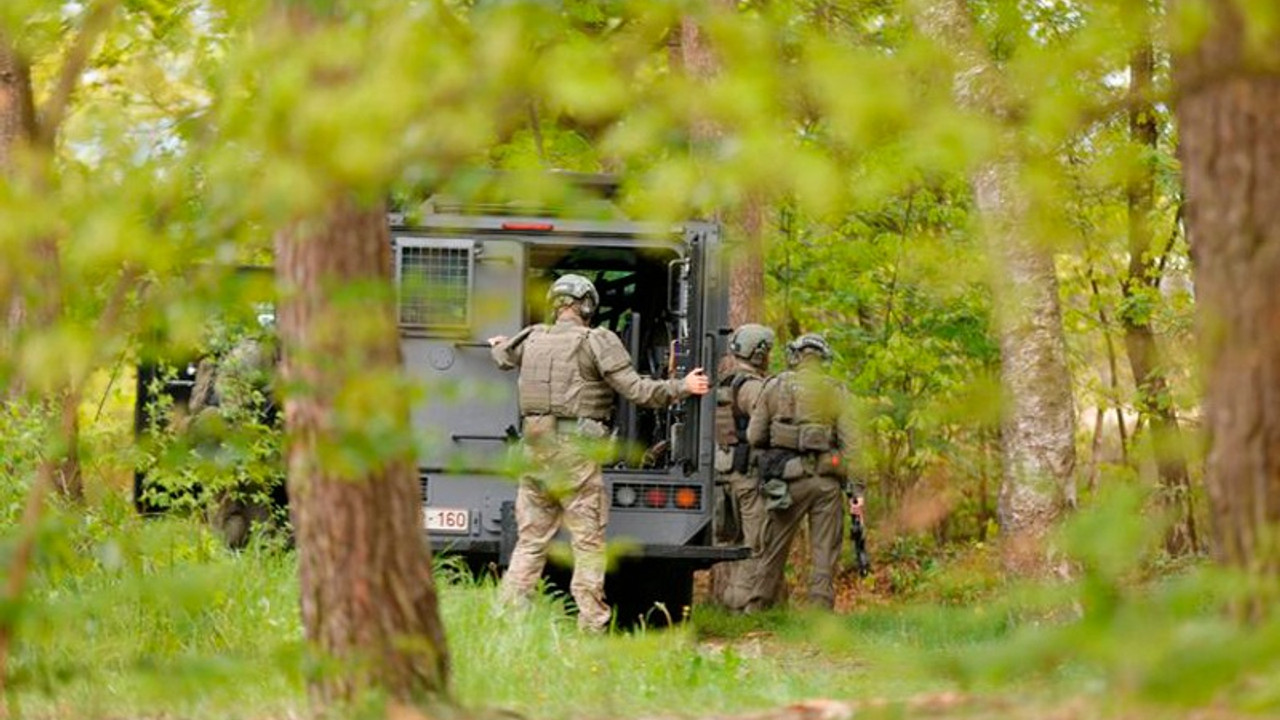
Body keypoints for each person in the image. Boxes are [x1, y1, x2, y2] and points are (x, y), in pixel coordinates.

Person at [488, 273, 711, 632]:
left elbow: (502, 354)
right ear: (588, 305)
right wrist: (683, 386)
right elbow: (638, 391)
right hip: (574, 456)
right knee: (587, 543)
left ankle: (507, 621)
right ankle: (591, 624)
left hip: (534, 454)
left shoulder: (530, 337)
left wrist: (497, 342)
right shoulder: (596, 341)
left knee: (530, 542)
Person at [744, 333, 863, 611]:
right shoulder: (836, 391)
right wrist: (857, 490)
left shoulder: (774, 386)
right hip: (826, 483)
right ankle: (819, 610)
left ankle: (758, 607)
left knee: (773, 546)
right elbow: (853, 445)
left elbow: (754, 436)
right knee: (825, 549)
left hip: (788, 480)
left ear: (796, 357)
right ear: (824, 360)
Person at [712, 323, 775, 610]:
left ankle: (733, 601)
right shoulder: (752, 387)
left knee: (735, 541)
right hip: (748, 475)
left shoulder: (723, 382)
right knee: (756, 543)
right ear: (759, 353)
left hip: (724, 475)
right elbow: (767, 423)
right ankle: (744, 606)